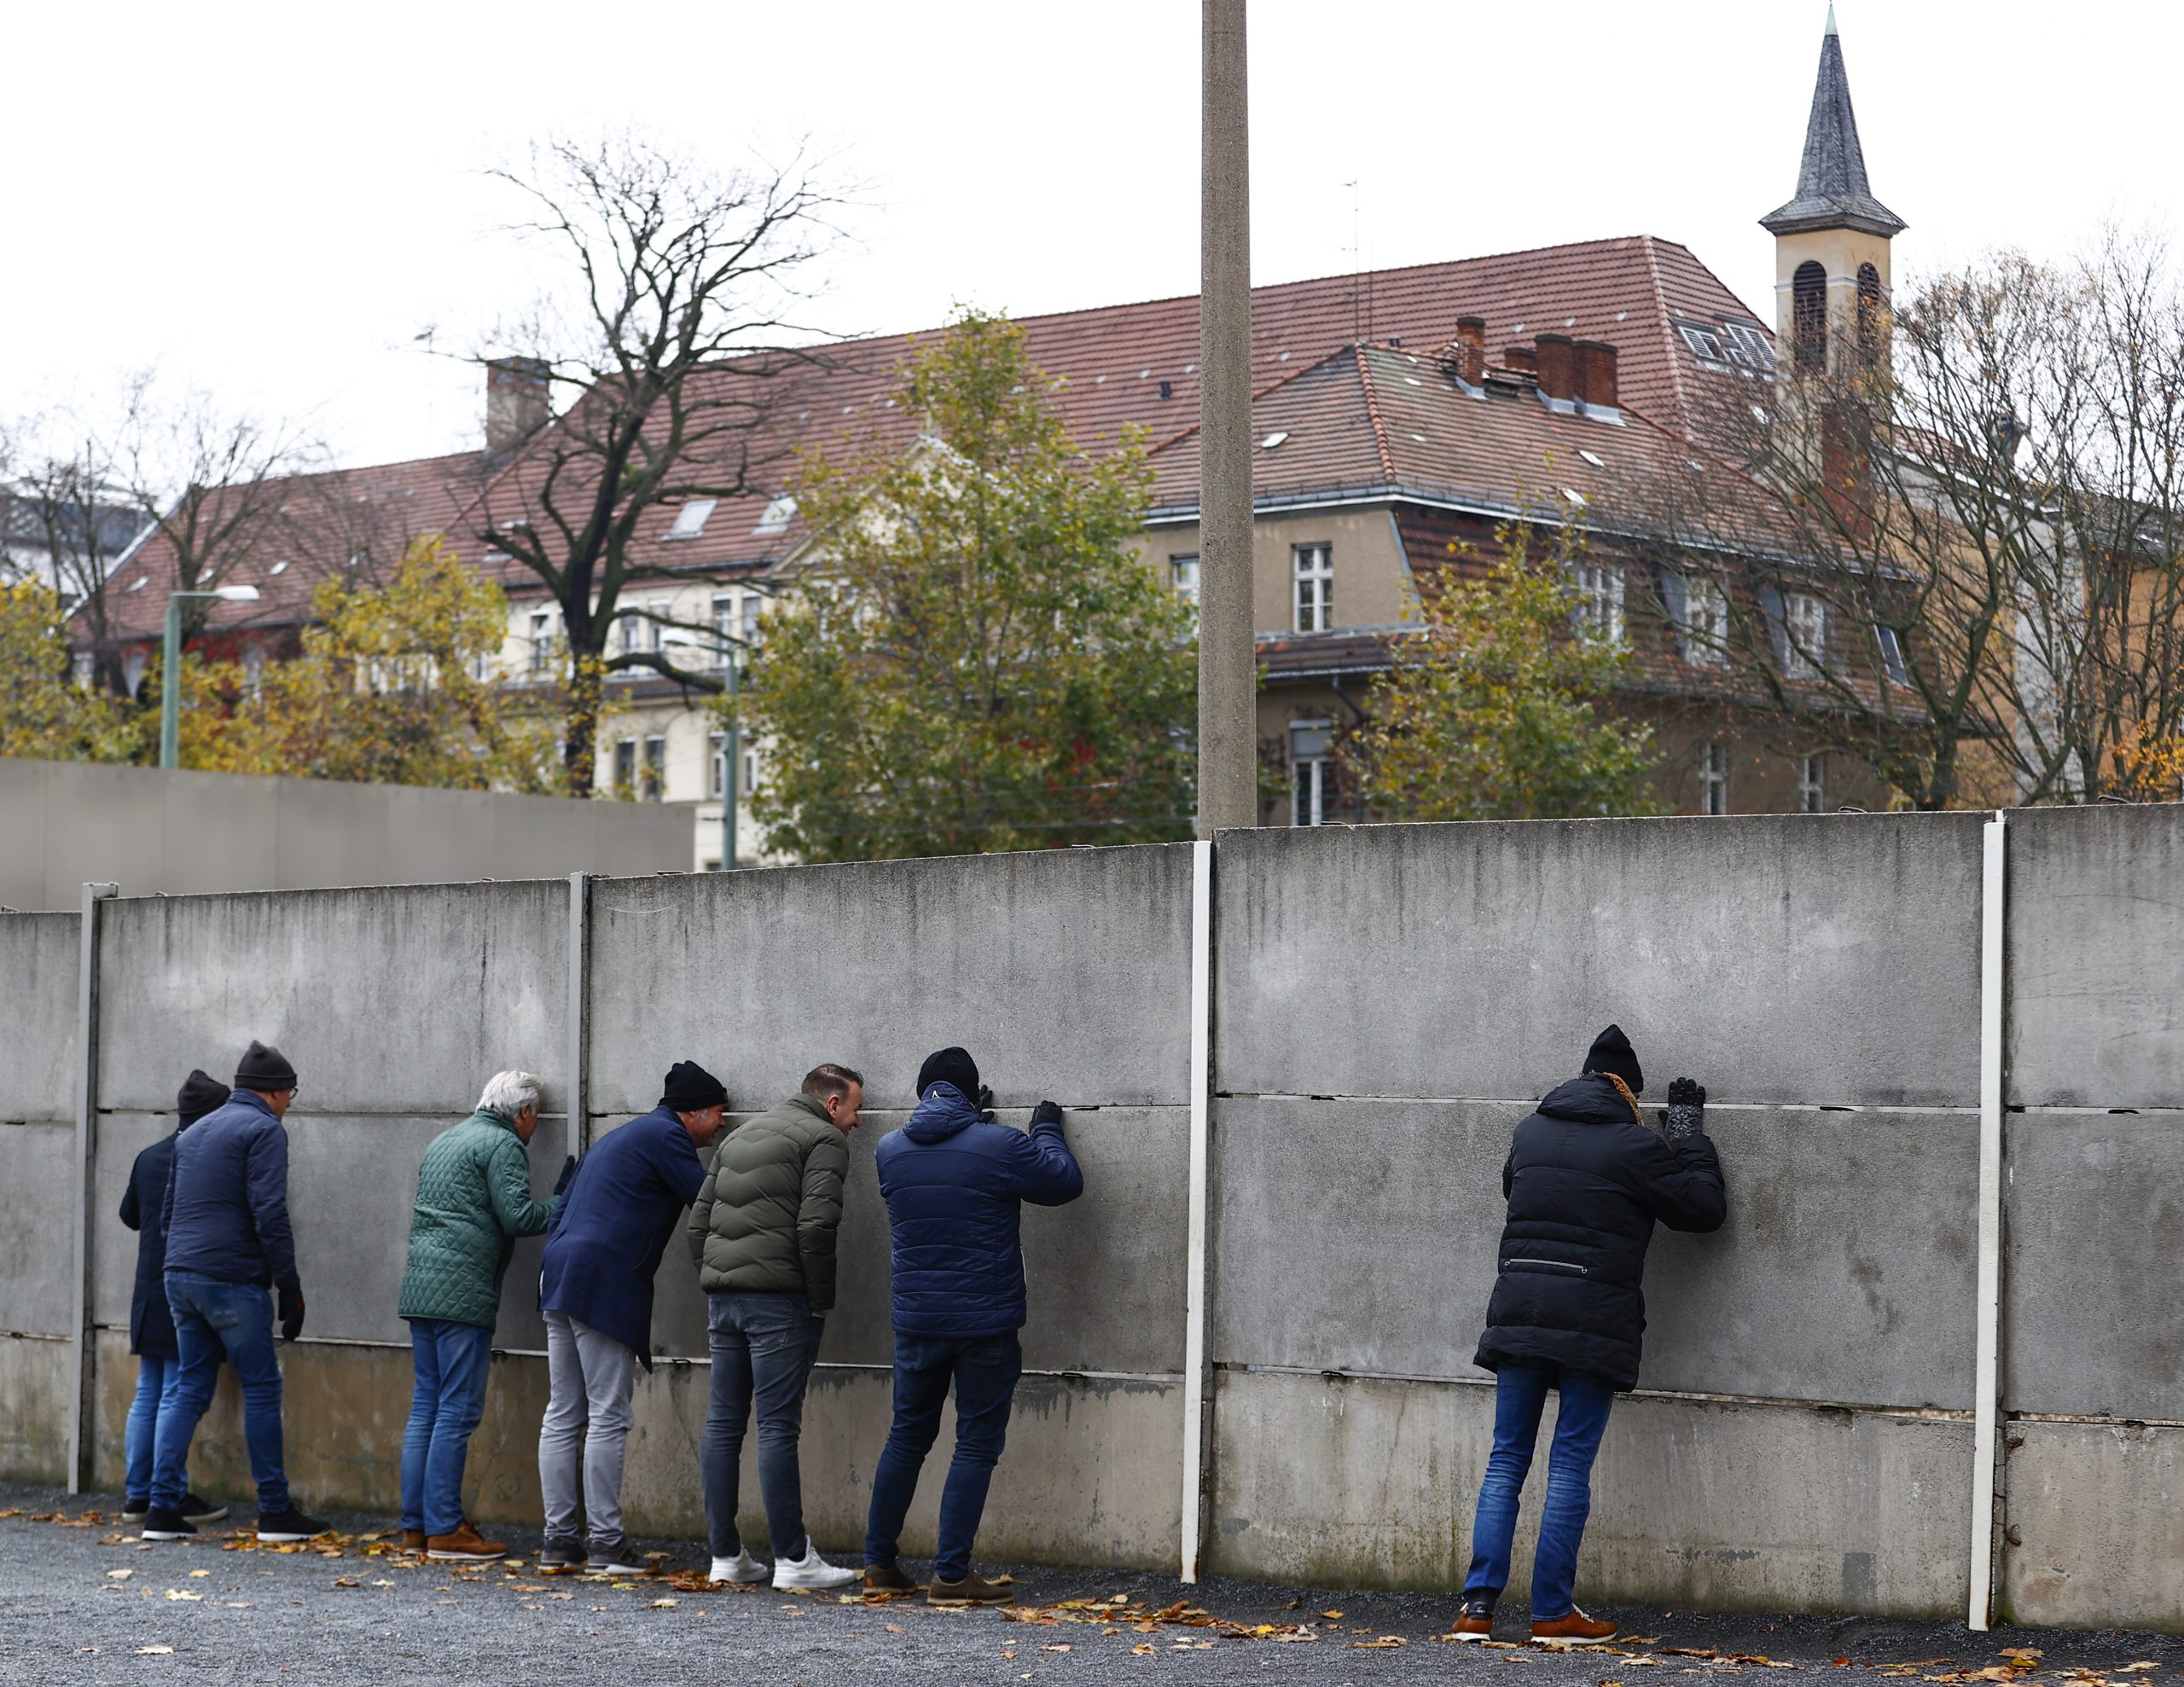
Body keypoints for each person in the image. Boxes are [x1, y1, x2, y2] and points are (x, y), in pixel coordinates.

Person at [1451, 1024, 1726, 1647]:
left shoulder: (1528, 1132)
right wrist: (1686, 1136)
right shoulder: (1634, 1145)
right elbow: (1704, 1212)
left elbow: (1515, 1194)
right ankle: (1552, 1614)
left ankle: (1476, 1608)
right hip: (1593, 1318)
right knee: (1569, 1463)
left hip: (1521, 1306)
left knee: (1506, 1458)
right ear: (1629, 1092)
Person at [863, 1047, 1083, 1605]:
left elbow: (945, 1168)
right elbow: (1062, 1182)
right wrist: (1046, 1130)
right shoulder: (1001, 1146)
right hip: (985, 1324)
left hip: (916, 1322)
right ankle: (952, 1576)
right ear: (973, 1091)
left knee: (907, 1437)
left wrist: (977, 1126)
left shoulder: (890, 1151)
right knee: (975, 1444)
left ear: (922, 1091)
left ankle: (879, 1565)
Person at [536, 1058, 726, 1575]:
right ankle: (605, 1544)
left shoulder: (624, 1135)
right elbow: (707, 1203)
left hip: (559, 1272)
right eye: (719, 1114)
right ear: (694, 1114)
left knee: (563, 1412)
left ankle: (558, 1541)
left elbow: (561, 1207)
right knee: (608, 1413)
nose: (724, 1124)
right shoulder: (668, 1137)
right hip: (602, 1279)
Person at [687, 1062, 864, 1591]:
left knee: (723, 1423)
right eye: (855, 1109)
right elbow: (816, 1224)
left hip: (725, 1299)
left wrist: (720, 1278)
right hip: (780, 1300)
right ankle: (791, 1559)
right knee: (778, 1426)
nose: (856, 1122)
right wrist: (817, 1300)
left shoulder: (740, 1136)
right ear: (832, 1104)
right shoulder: (824, 1140)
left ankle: (725, 1556)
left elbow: (698, 1223)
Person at [142, 1040, 326, 1545]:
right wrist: (290, 1288)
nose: (290, 1101)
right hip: (232, 1280)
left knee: (189, 1388)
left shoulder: (194, 1131)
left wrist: (177, 1267)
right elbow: (269, 1212)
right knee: (263, 1388)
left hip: (180, 1274)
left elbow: (166, 1213)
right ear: (271, 1093)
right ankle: (275, 1513)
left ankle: (161, 1509)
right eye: (290, 1092)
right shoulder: (265, 1130)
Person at [395, 1070, 571, 1562]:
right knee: (457, 1410)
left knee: (426, 1406)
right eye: (535, 1118)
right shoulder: (503, 1145)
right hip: (462, 1295)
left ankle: (417, 1528)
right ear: (525, 1112)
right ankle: (446, 1529)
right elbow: (518, 1217)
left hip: (422, 1289)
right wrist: (567, 1200)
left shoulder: (447, 1139)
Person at [118, 1070, 234, 1528]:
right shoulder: (204, 1158)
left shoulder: (149, 1157)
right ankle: (170, 1494)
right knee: (173, 1392)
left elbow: (129, 1216)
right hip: (184, 1285)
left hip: (147, 1289)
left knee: (148, 1392)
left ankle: (136, 1495)